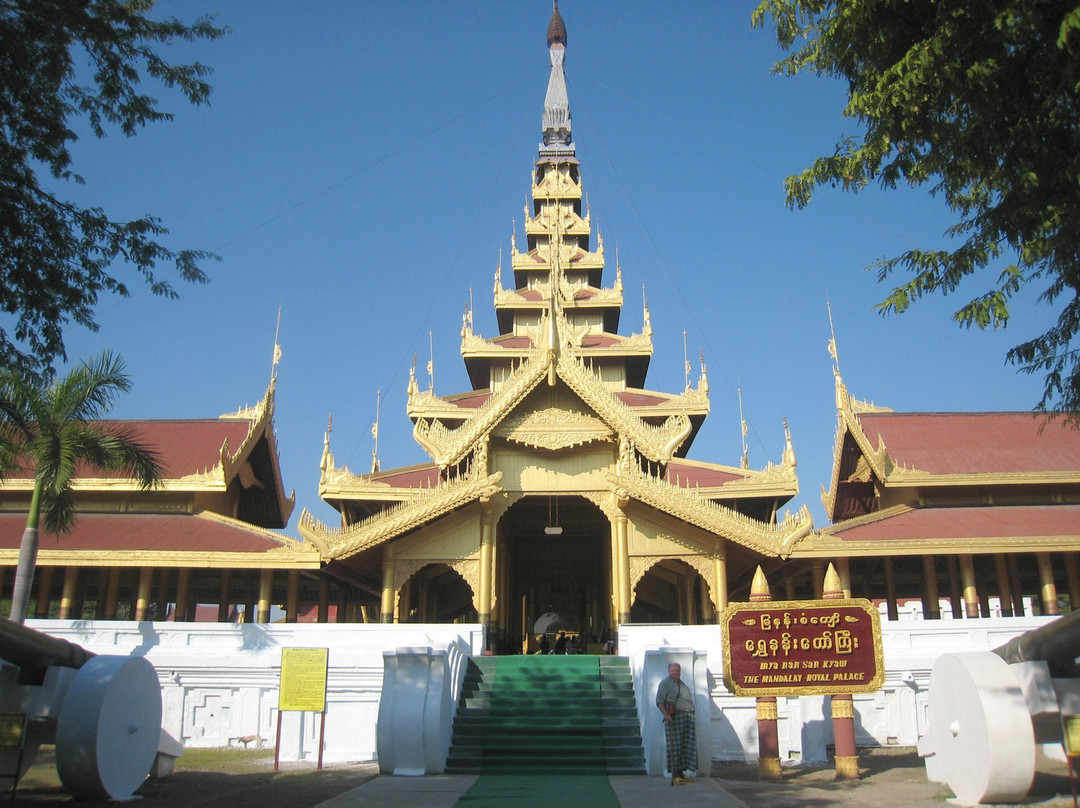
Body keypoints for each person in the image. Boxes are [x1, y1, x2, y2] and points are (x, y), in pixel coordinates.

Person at [655, 662, 696, 785]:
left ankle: (681, 773)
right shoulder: (665, 684)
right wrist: (666, 715)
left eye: (677, 670)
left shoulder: (681, 683)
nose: (675, 672)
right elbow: (659, 701)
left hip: (687, 716)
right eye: (673, 670)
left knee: (685, 745)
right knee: (675, 746)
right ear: (668, 671)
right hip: (675, 717)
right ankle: (674, 775)